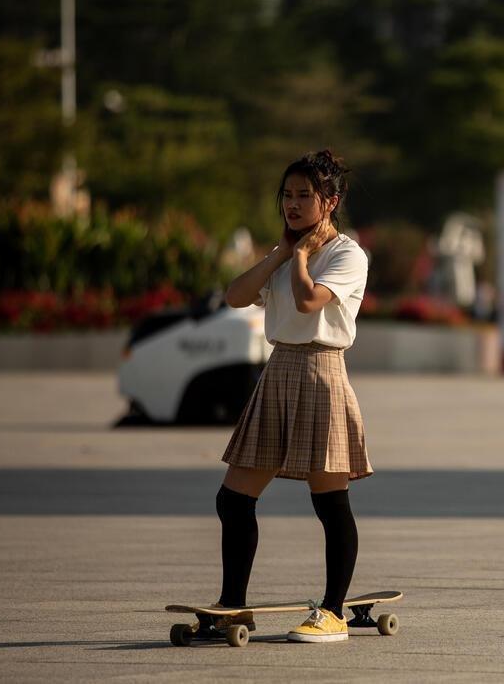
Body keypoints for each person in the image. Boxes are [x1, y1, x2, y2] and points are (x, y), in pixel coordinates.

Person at [209, 149, 373, 644]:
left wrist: (300, 256)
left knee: (329, 502)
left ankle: (333, 611)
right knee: (232, 498)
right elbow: (235, 296)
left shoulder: (346, 253)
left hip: (321, 372)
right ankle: (234, 606)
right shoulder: (283, 251)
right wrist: (281, 254)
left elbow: (308, 301)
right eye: (288, 194)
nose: (294, 204)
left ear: (331, 200)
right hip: (278, 369)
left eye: (306, 195)